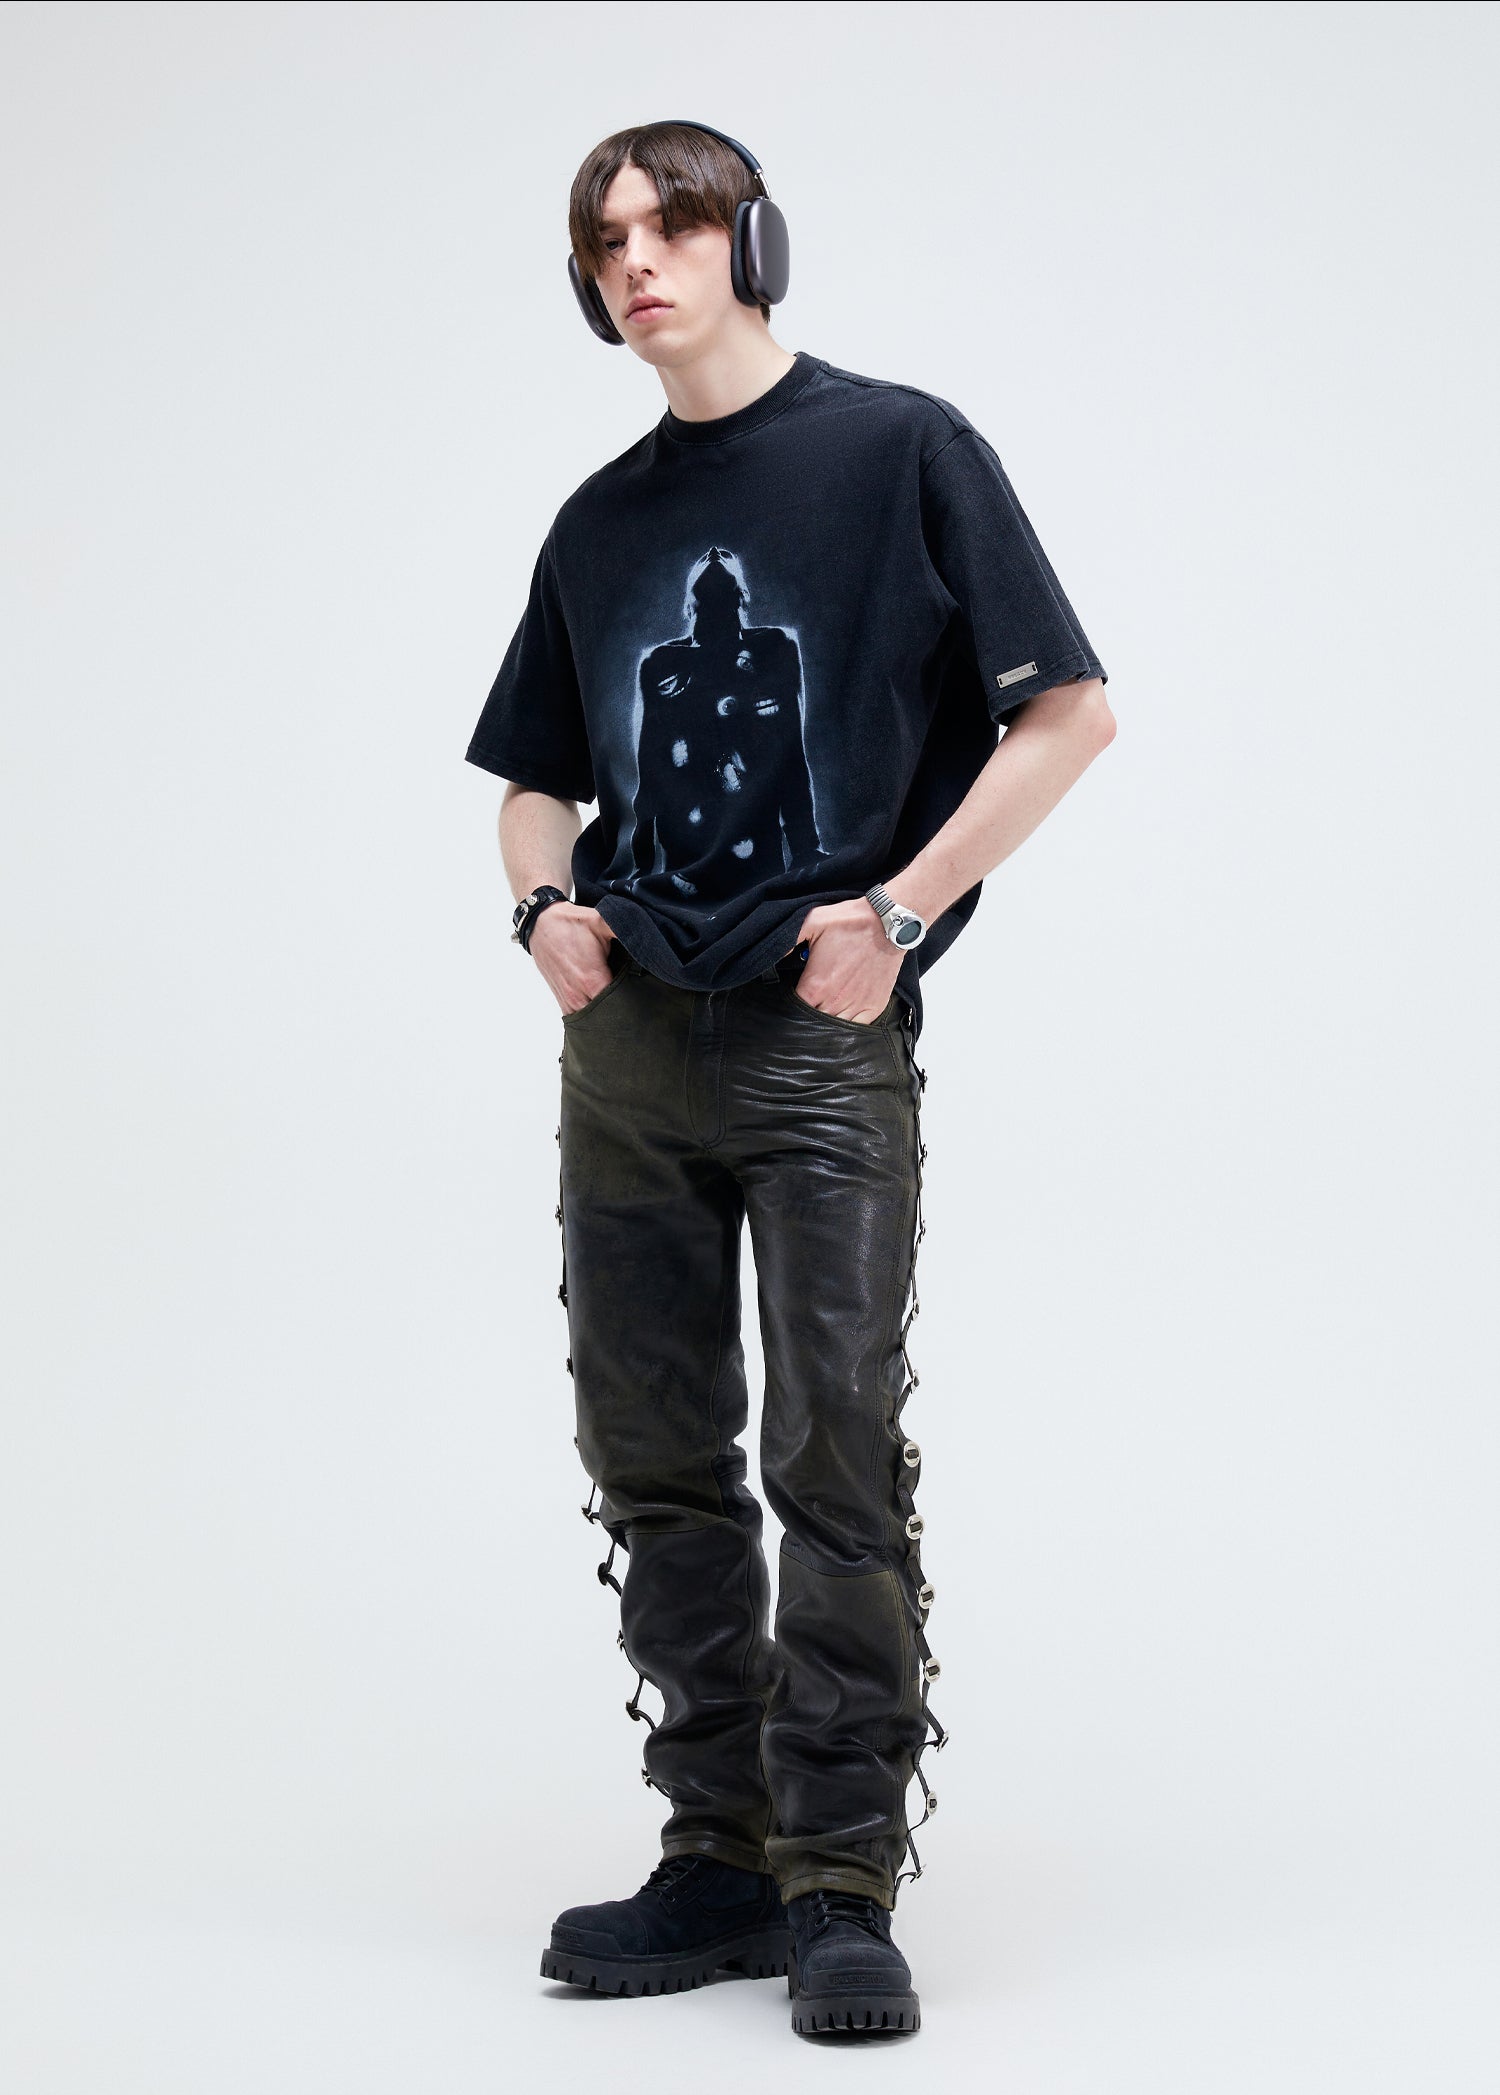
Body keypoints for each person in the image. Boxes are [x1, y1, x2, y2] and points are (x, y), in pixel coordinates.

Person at [464, 119, 1116, 2038]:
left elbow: (1071, 711)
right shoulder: (598, 523)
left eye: (672, 224)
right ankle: (722, 1852)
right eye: (605, 240)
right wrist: (543, 912)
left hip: (819, 1043)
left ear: (755, 241)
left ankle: (842, 1882)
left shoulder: (900, 448)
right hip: (629, 1045)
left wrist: (900, 911)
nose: (638, 261)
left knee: (834, 1451)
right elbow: (534, 778)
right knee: (652, 1453)